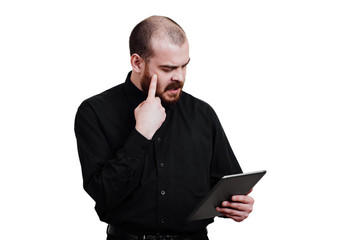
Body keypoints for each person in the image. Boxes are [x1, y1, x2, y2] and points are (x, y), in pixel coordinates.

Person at [74, 15, 254, 240]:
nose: (179, 77)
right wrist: (141, 134)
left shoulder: (203, 114)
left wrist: (237, 206)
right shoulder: (95, 112)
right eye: (168, 68)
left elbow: (225, 187)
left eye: (184, 66)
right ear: (137, 63)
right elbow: (103, 194)